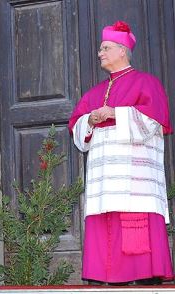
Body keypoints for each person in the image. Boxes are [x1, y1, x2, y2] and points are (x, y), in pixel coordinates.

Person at [69, 20, 173, 285]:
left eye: (105, 48)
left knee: (132, 215)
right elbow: (77, 127)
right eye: (101, 48)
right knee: (104, 217)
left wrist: (116, 113)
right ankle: (105, 273)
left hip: (133, 174)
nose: (100, 53)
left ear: (122, 51)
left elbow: (155, 123)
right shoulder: (94, 92)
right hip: (105, 175)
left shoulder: (146, 83)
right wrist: (90, 121)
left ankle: (143, 273)